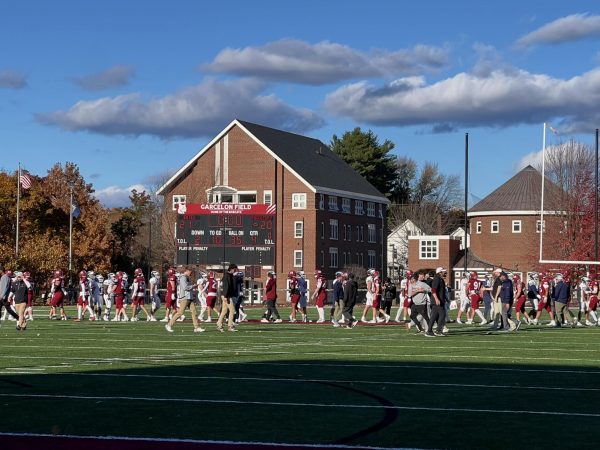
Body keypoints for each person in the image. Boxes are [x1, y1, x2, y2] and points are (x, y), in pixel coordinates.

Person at [165, 267, 204, 333]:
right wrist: (193, 286)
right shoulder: (183, 277)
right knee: (180, 313)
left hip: (189, 297)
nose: (191, 274)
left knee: (194, 312)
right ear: (187, 271)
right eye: (190, 272)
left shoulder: (187, 277)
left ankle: (196, 327)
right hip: (184, 297)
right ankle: (169, 325)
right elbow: (185, 287)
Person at [425, 267, 447, 337]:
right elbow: (433, 290)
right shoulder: (437, 279)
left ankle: (430, 331)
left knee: (434, 316)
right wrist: (437, 299)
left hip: (438, 301)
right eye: (444, 272)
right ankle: (437, 330)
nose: (445, 273)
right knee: (442, 314)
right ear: (440, 272)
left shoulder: (440, 279)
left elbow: (441, 291)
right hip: (437, 301)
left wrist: (446, 299)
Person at [217, 263, 239, 332]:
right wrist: (225, 296)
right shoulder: (227, 276)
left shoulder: (229, 275)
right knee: (232, 310)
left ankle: (219, 324)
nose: (235, 271)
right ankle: (230, 326)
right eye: (235, 269)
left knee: (224, 311)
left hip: (226, 295)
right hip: (227, 296)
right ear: (232, 269)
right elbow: (226, 286)